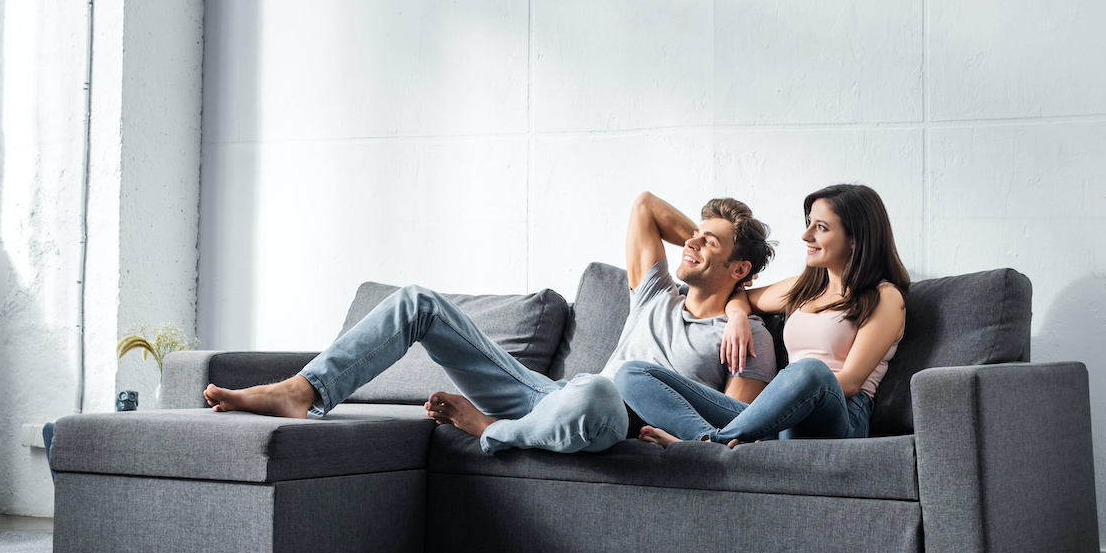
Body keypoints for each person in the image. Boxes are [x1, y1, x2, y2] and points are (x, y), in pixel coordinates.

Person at [201, 192, 778, 455]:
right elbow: (645, 206)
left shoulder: (747, 337)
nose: (694, 242)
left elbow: (735, 428)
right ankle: (303, 391)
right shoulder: (654, 292)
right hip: (550, 394)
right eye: (695, 233)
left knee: (603, 389)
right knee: (418, 301)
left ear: (741, 266)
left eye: (713, 240)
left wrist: (739, 306)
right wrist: (715, 261)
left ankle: (489, 432)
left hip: (608, 419)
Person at [615, 183, 908, 448]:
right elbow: (740, 296)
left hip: (839, 415)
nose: (806, 235)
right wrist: (738, 319)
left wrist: (785, 392)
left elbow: (852, 381)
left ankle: (717, 441)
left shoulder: (885, 297)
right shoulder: (804, 287)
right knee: (632, 374)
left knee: (810, 370)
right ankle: (701, 440)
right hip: (781, 419)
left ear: (855, 238)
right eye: (808, 224)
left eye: (820, 227)